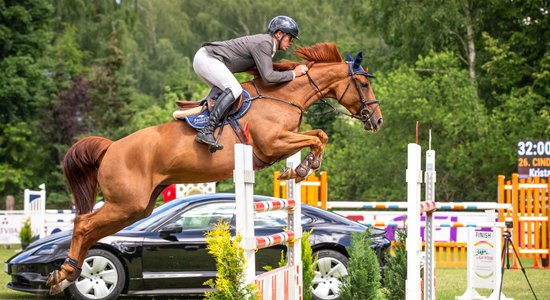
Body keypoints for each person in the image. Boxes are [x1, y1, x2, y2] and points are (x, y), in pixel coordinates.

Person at [193, 15, 309, 151]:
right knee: (235, 89)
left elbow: (262, 73)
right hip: (208, 58)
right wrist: (294, 73)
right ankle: (207, 130)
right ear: (279, 34)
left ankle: (205, 125)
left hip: (207, 59)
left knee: (223, 94)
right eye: (290, 37)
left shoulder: (266, 45)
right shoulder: (265, 43)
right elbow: (268, 76)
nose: (291, 42)